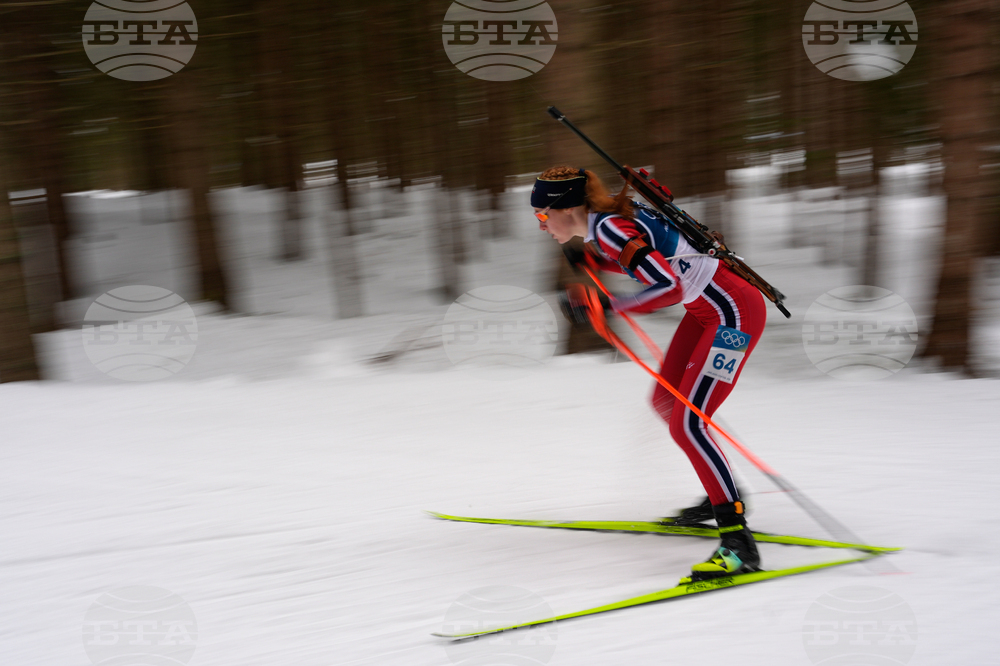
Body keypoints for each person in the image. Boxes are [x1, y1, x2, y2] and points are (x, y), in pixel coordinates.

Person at [531, 166, 767, 581]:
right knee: (664, 402)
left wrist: (606, 308)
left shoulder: (609, 228)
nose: (541, 225)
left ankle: (738, 543)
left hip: (733, 316)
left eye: (543, 216)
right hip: (706, 312)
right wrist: (591, 259)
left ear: (566, 207)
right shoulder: (606, 224)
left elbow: (669, 286)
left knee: (688, 423)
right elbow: (655, 257)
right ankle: (722, 496)